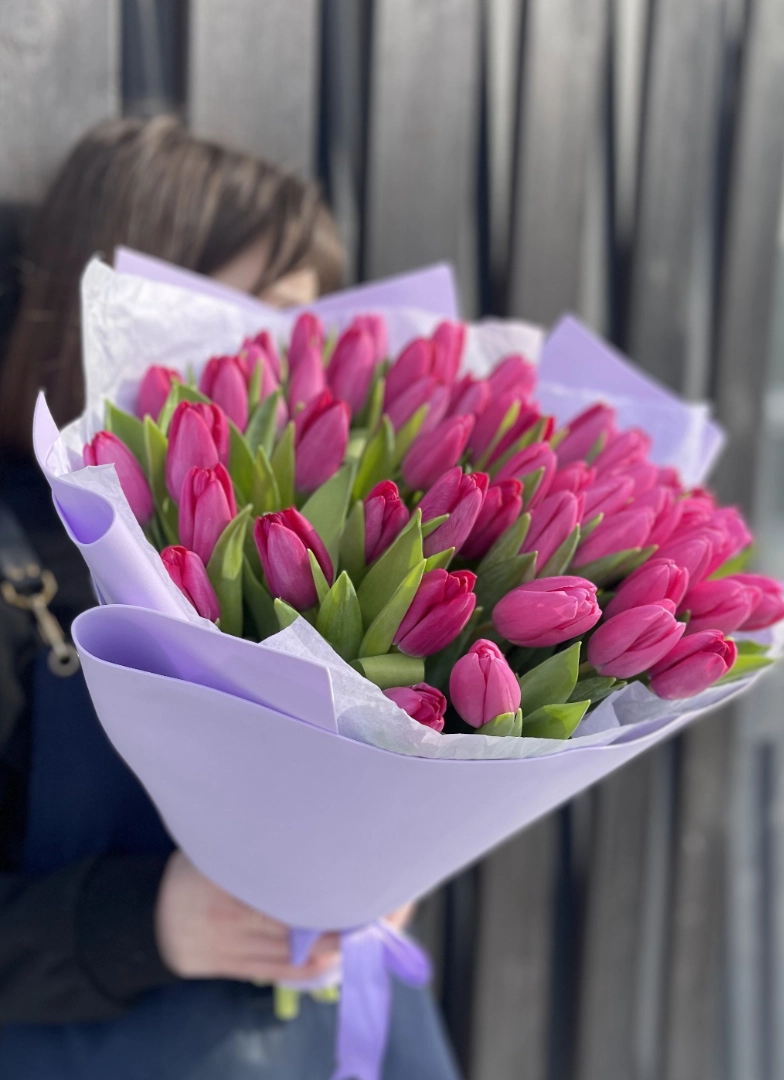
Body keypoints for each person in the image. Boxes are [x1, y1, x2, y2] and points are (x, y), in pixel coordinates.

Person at [0, 116, 461, 1079]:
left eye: (291, 323)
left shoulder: (338, 537)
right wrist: (143, 925)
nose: (263, 356)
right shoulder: (19, 555)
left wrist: (382, 863)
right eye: (223, 312)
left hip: (338, 1032)